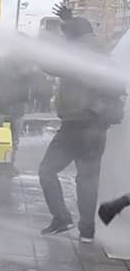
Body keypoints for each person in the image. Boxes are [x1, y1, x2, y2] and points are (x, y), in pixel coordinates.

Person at [37, 16, 127, 242]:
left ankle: (61, 217)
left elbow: (50, 65)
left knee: (47, 170)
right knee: (87, 179)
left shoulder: (77, 56)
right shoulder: (102, 56)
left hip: (76, 125)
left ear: (73, 37)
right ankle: (87, 231)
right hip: (98, 129)